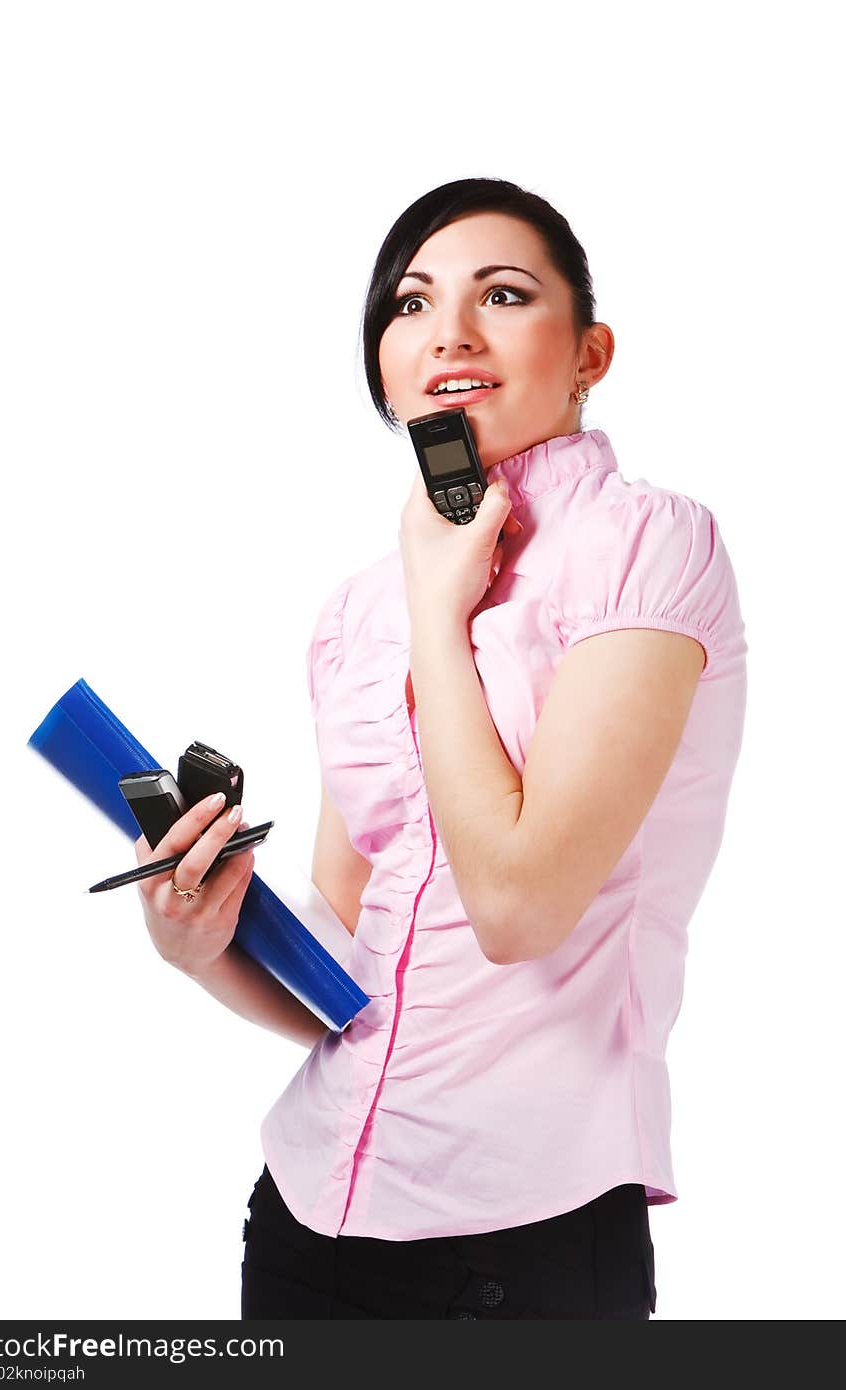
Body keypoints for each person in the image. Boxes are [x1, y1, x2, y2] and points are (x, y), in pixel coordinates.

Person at [134, 177, 748, 1319]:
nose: (449, 333)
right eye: (410, 305)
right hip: (305, 1215)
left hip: (524, 1245)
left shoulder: (648, 546)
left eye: (502, 295)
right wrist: (203, 941)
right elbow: (348, 965)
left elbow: (518, 907)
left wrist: (436, 608)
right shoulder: (351, 610)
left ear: (589, 351)